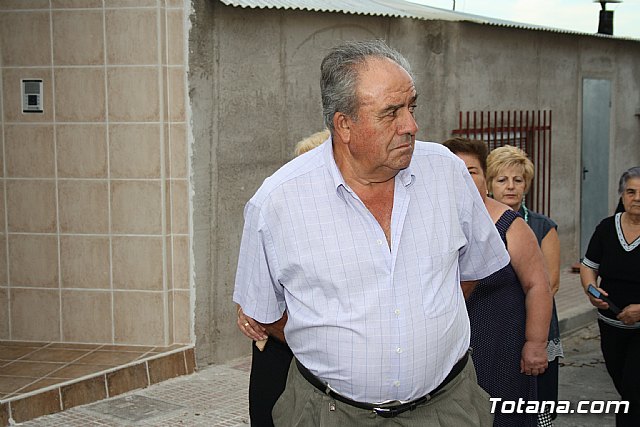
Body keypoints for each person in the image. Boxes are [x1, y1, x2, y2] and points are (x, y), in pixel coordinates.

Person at [233, 39, 512, 426]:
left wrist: (421, 325)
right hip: (329, 414)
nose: (411, 126)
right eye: (391, 113)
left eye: (412, 106)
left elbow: (471, 271)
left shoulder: (447, 172)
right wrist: (336, 344)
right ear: (344, 125)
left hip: (447, 407)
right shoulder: (276, 203)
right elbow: (266, 315)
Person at [443, 138, 552, 427]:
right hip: (448, 353)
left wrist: (535, 343)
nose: (463, 178)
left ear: (485, 178)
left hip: (501, 349)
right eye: (454, 170)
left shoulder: (510, 225)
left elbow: (538, 286)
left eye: (471, 171)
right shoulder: (432, 222)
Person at [236, 129, 331, 427]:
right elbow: (255, 288)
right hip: (279, 351)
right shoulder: (278, 215)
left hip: (325, 361)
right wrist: (251, 309)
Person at [486, 145, 562, 426]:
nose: (510, 186)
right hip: (494, 328)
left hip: (536, 326)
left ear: (526, 185)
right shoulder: (479, 224)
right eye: (502, 179)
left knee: (537, 406)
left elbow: (550, 283)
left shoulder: (543, 226)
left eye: (517, 180)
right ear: (489, 185)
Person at [580, 166, 640, 427]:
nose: (637, 198)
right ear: (621, 195)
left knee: (633, 391)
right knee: (624, 387)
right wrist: (591, 290)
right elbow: (588, 266)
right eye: (631, 192)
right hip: (610, 326)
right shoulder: (606, 228)